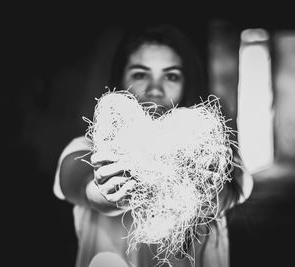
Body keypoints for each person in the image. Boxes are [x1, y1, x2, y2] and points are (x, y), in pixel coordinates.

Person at [53, 22, 253, 267]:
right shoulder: (84, 148)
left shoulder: (216, 155)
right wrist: (104, 194)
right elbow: (77, 181)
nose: (155, 90)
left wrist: (204, 188)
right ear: (119, 80)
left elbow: (232, 189)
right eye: (140, 74)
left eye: (171, 76)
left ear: (187, 82)